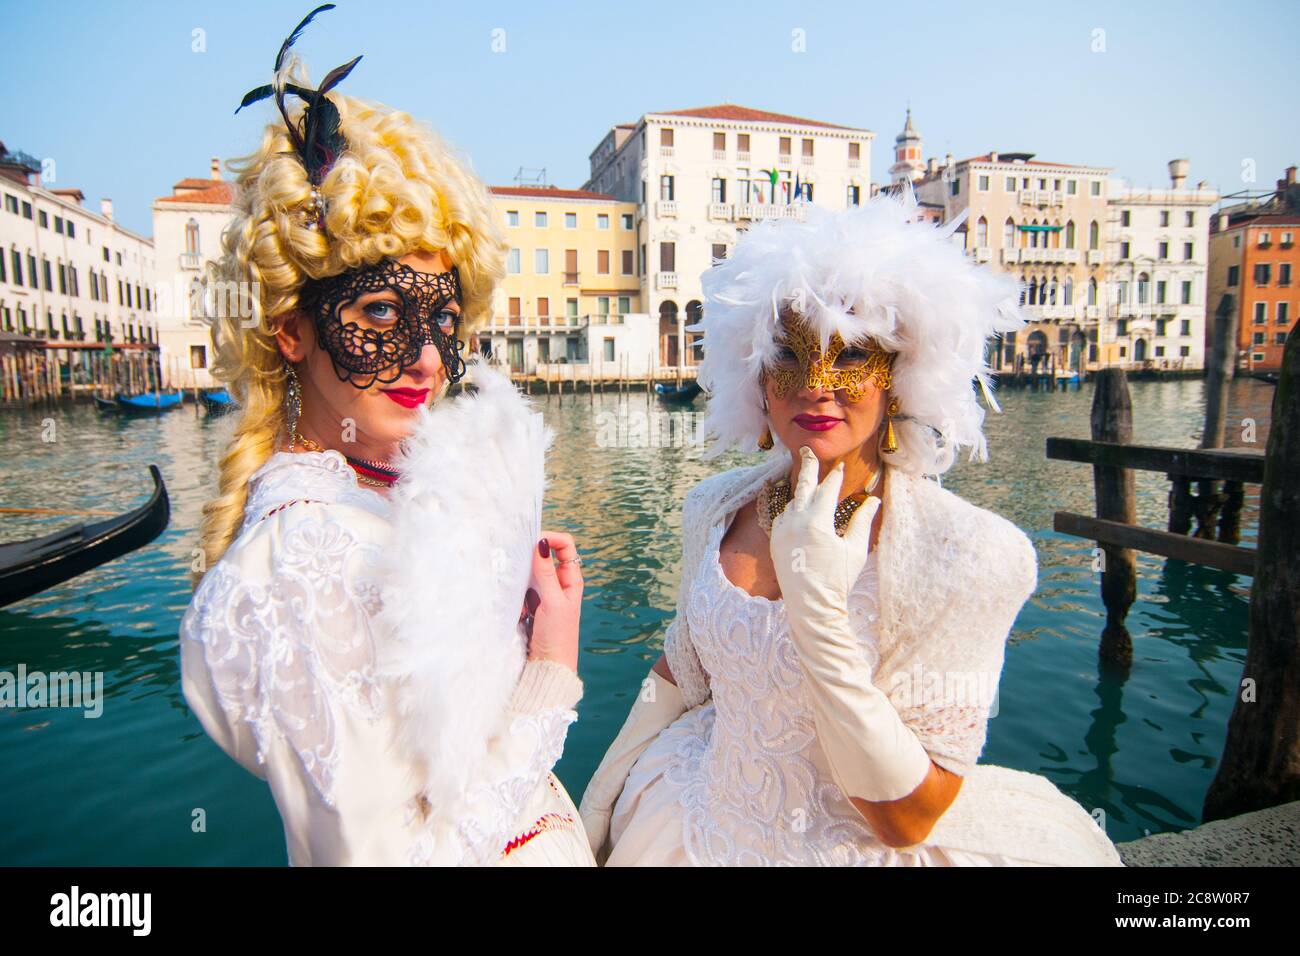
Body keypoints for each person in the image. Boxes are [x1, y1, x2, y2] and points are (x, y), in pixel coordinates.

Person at [579, 191, 1124, 866]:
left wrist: (816, 610)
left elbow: (908, 819)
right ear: (754, 373)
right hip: (691, 817)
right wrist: (602, 792)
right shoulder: (713, 508)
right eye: (789, 355)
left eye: (852, 355)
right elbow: (681, 673)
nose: (816, 384)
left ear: (899, 375)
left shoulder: (967, 554)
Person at [179, 6, 593, 866]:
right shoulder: (299, 558)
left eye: (442, 319)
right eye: (378, 312)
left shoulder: (371, 488)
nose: (427, 359)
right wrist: (551, 666)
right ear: (291, 328)